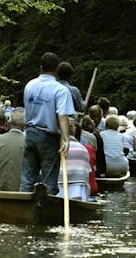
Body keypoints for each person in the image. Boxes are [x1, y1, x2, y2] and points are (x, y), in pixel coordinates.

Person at [19, 52, 75, 195]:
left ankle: (24, 206)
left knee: (27, 179)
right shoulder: (60, 90)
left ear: (41, 67)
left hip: (30, 134)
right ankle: (46, 211)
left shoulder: (29, 85)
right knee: (49, 180)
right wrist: (66, 139)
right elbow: (62, 116)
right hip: (48, 137)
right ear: (56, 69)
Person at [57, 118, 92, 201]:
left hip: (58, 190)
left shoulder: (53, 148)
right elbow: (87, 176)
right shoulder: (83, 149)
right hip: (79, 191)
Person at [83, 108, 106, 176]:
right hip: (92, 167)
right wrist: (102, 172)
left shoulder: (77, 134)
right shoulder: (96, 136)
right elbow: (100, 155)